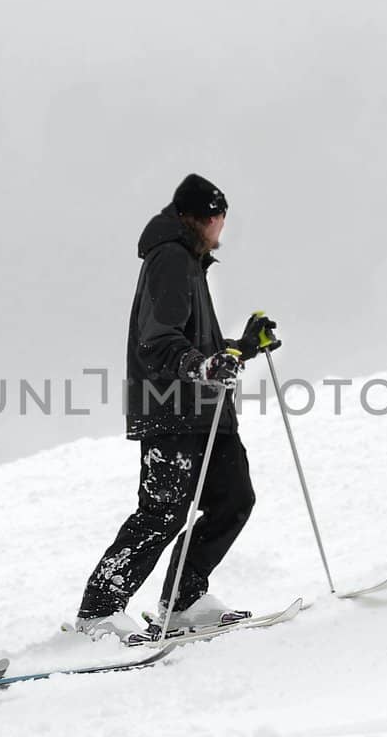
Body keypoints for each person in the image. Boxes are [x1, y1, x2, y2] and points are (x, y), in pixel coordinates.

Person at [74, 174, 279, 640]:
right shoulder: (170, 259)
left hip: (206, 412)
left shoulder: (189, 262)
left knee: (233, 499)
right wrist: (204, 366)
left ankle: (183, 601)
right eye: (219, 218)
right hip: (172, 408)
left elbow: (196, 345)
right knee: (163, 511)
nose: (221, 228)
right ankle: (99, 610)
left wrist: (241, 348)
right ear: (209, 218)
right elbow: (159, 341)